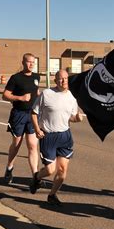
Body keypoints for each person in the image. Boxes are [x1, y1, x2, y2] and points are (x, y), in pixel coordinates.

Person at [29, 70, 83, 205]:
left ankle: (52, 195)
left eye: (65, 78)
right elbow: (34, 113)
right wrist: (36, 129)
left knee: (62, 170)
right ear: (55, 81)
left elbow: (70, 117)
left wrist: (77, 118)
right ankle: (37, 177)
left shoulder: (71, 97)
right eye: (60, 79)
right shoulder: (46, 94)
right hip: (49, 136)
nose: (63, 81)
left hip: (65, 136)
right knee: (50, 170)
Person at [2, 53, 40, 184]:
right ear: (23, 62)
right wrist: (20, 98)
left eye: (33, 62)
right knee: (17, 144)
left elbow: (36, 91)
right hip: (18, 114)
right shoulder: (16, 78)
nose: (31, 64)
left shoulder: (37, 77)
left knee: (33, 146)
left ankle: (35, 175)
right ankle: (9, 167)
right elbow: (5, 95)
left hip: (32, 115)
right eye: (29, 62)